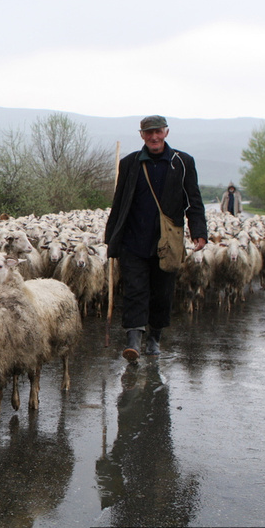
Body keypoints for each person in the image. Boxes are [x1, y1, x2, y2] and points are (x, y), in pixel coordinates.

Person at [104, 115, 208, 362]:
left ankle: (155, 337)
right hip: (134, 240)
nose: (154, 137)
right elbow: (119, 203)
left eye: (158, 132)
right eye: (148, 133)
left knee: (162, 292)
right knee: (134, 291)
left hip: (167, 242)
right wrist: (111, 238)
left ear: (166, 133)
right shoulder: (129, 163)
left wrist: (199, 232)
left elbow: (194, 201)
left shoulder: (182, 162)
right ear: (141, 135)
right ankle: (134, 341)